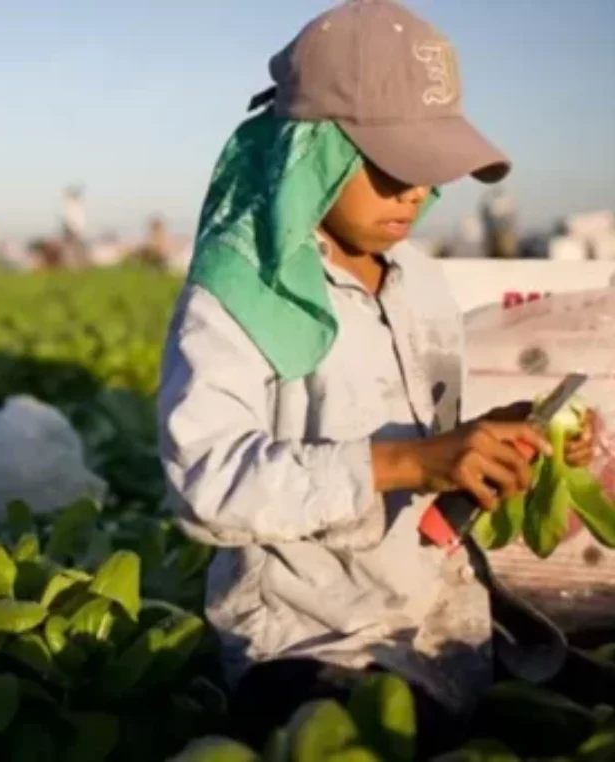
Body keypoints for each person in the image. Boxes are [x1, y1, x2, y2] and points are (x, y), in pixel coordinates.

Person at [156, 0, 594, 754]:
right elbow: (204, 478)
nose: (414, 192)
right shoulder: (235, 294)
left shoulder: (422, 281)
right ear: (310, 151)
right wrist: (406, 463)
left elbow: (437, 444)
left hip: (447, 630)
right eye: (390, 166)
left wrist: (516, 436)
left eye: (427, 168)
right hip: (314, 642)